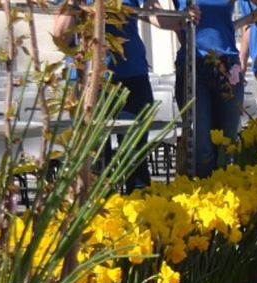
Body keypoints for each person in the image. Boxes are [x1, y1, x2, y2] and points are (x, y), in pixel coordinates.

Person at [53, 0, 176, 190]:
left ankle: (138, 210)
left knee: (135, 155)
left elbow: (157, 17)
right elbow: (61, 38)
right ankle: (100, 213)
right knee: (95, 158)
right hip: (88, 79)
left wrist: (185, 18)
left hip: (132, 75)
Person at [174, 0, 257, 176]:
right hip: (193, 65)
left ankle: (227, 196)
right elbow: (165, 18)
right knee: (201, 149)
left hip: (227, 65)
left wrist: (235, 24)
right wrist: (182, 28)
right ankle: (203, 199)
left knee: (227, 146)